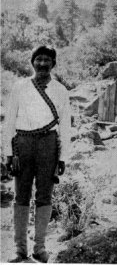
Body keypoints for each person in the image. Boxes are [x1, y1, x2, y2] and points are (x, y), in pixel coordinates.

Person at [3, 45, 71, 263]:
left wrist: (63, 157)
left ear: (53, 63)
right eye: (38, 59)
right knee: (21, 195)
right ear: (32, 62)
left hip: (48, 145)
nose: (42, 64)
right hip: (22, 144)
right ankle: (19, 248)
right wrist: (8, 153)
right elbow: (10, 122)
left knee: (44, 195)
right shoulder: (20, 87)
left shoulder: (61, 90)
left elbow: (66, 127)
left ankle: (39, 247)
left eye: (47, 60)